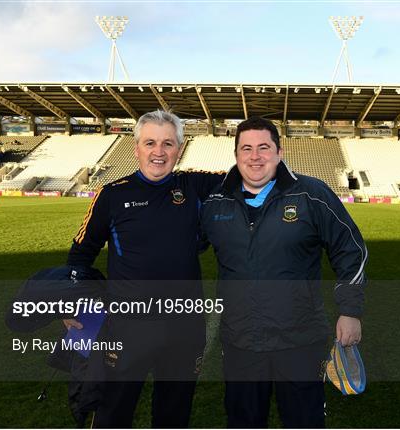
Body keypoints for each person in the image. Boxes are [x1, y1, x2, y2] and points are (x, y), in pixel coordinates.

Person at [200, 117, 368, 428]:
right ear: (236, 154)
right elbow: (179, 248)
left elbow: (351, 249)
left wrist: (350, 310)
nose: (255, 156)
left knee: (304, 421)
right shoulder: (214, 201)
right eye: (246, 148)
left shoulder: (312, 194)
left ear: (280, 151)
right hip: (240, 344)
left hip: (300, 341)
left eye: (264, 147)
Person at [65, 110, 223, 428]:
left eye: (168, 143)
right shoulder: (111, 195)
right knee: (113, 413)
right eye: (150, 142)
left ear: (179, 148)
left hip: (185, 327)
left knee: (174, 415)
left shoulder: (195, 187)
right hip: (127, 327)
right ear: (136, 147)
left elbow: (253, 175)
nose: (159, 151)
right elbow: (80, 256)